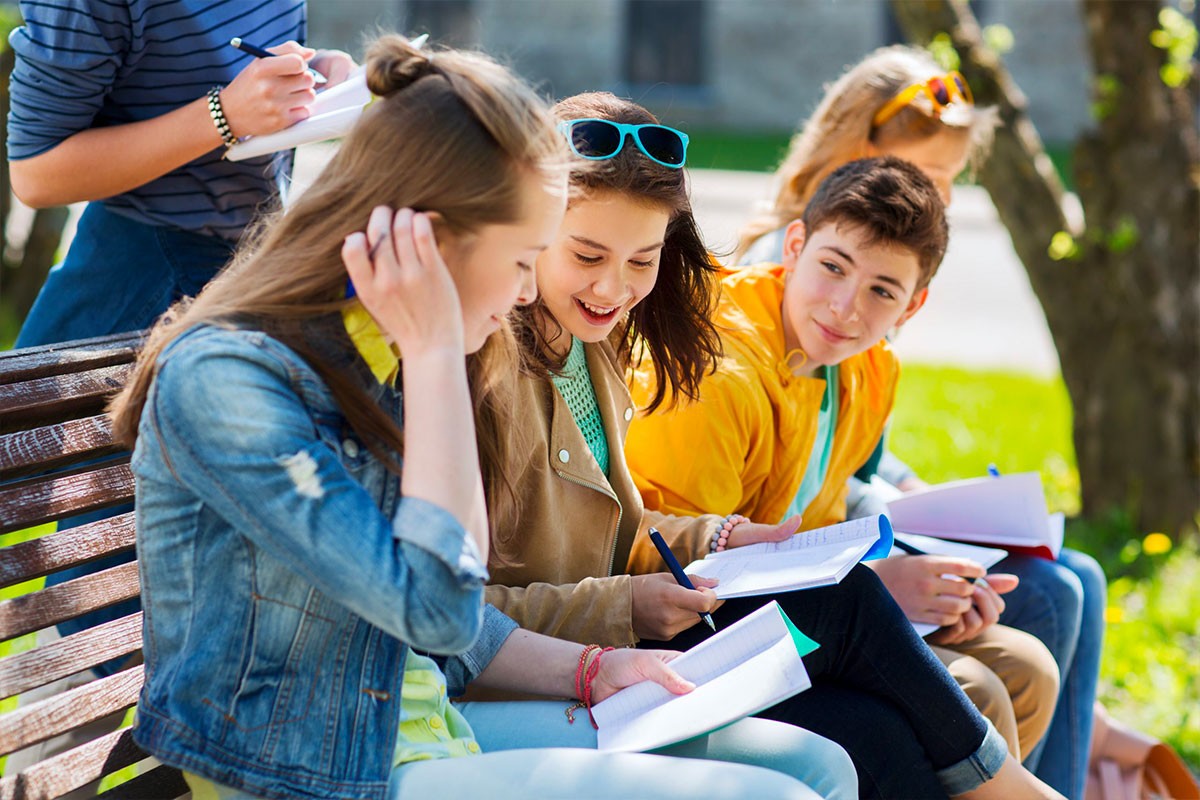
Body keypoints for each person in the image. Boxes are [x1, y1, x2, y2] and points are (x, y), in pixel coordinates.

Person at [104, 35, 837, 800]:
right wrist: (433, 353)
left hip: (421, 733)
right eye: (524, 257)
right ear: (430, 235)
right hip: (306, 769)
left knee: (814, 767)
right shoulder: (232, 382)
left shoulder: (396, 349)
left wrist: (593, 667)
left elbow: (442, 624)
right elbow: (441, 606)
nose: (527, 292)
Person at [483, 91, 1062, 799]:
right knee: (854, 619)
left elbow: (616, 529)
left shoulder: (591, 343)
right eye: (588, 254)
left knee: (876, 726)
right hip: (559, 666)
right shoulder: (488, 370)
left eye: (643, 260)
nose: (615, 286)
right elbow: (457, 615)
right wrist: (630, 603)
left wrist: (719, 537)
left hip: (621, 636)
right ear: (530, 226)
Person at [735, 45, 1105, 799]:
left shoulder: (865, 331)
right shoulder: (789, 297)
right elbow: (742, 527)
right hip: (782, 584)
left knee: (1075, 579)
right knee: (1046, 595)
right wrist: (893, 547)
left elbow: (848, 467)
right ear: (859, 159)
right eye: (920, 176)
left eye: (945, 181)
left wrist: (925, 499)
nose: (931, 197)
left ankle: (1062, 770)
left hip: (827, 551)